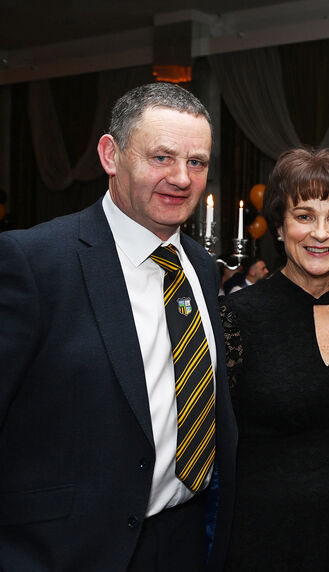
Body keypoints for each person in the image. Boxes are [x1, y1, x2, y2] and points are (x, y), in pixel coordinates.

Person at [0, 82, 238, 570]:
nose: (181, 178)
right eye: (161, 158)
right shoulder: (34, 261)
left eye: (197, 162)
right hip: (64, 550)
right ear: (111, 154)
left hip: (183, 539)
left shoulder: (200, 265)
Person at [221, 148, 329, 570]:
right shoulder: (237, 316)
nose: (321, 233)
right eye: (304, 216)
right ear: (279, 226)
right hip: (261, 538)